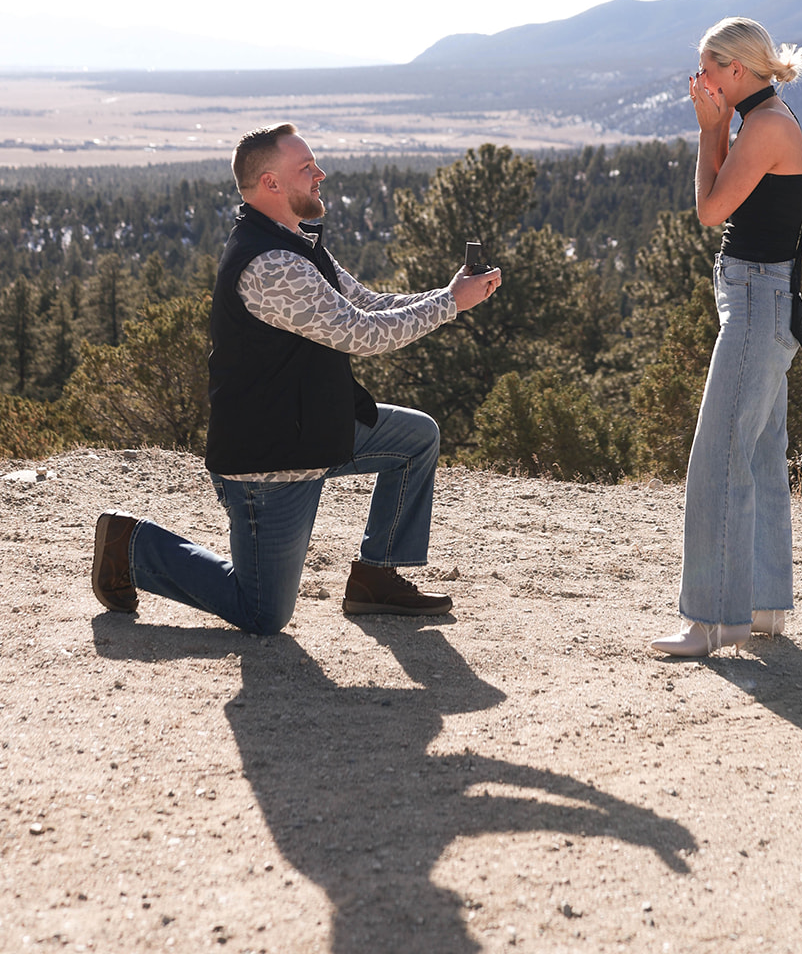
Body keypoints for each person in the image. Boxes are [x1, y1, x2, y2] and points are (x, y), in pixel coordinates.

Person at [91, 123, 501, 634]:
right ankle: (130, 547)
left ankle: (376, 578)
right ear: (271, 184)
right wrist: (449, 305)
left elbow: (367, 304)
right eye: (306, 168)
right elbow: (361, 333)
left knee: (416, 438)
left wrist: (449, 294)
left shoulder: (298, 245)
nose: (320, 173)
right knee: (262, 614)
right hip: (271, 461)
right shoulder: (272, 265)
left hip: (313, 429)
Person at [651, 19, 802, 659]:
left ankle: (713, 620)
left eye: (707, 72)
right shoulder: (768, 117)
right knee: (760, 456)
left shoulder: (765, 126)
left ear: (735, 71)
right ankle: (763, 606)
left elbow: (711, 210)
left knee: (717, 459)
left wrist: (709, 129)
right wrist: (717, 128)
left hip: (757, 302)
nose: (700, 84)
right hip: (764, 301)